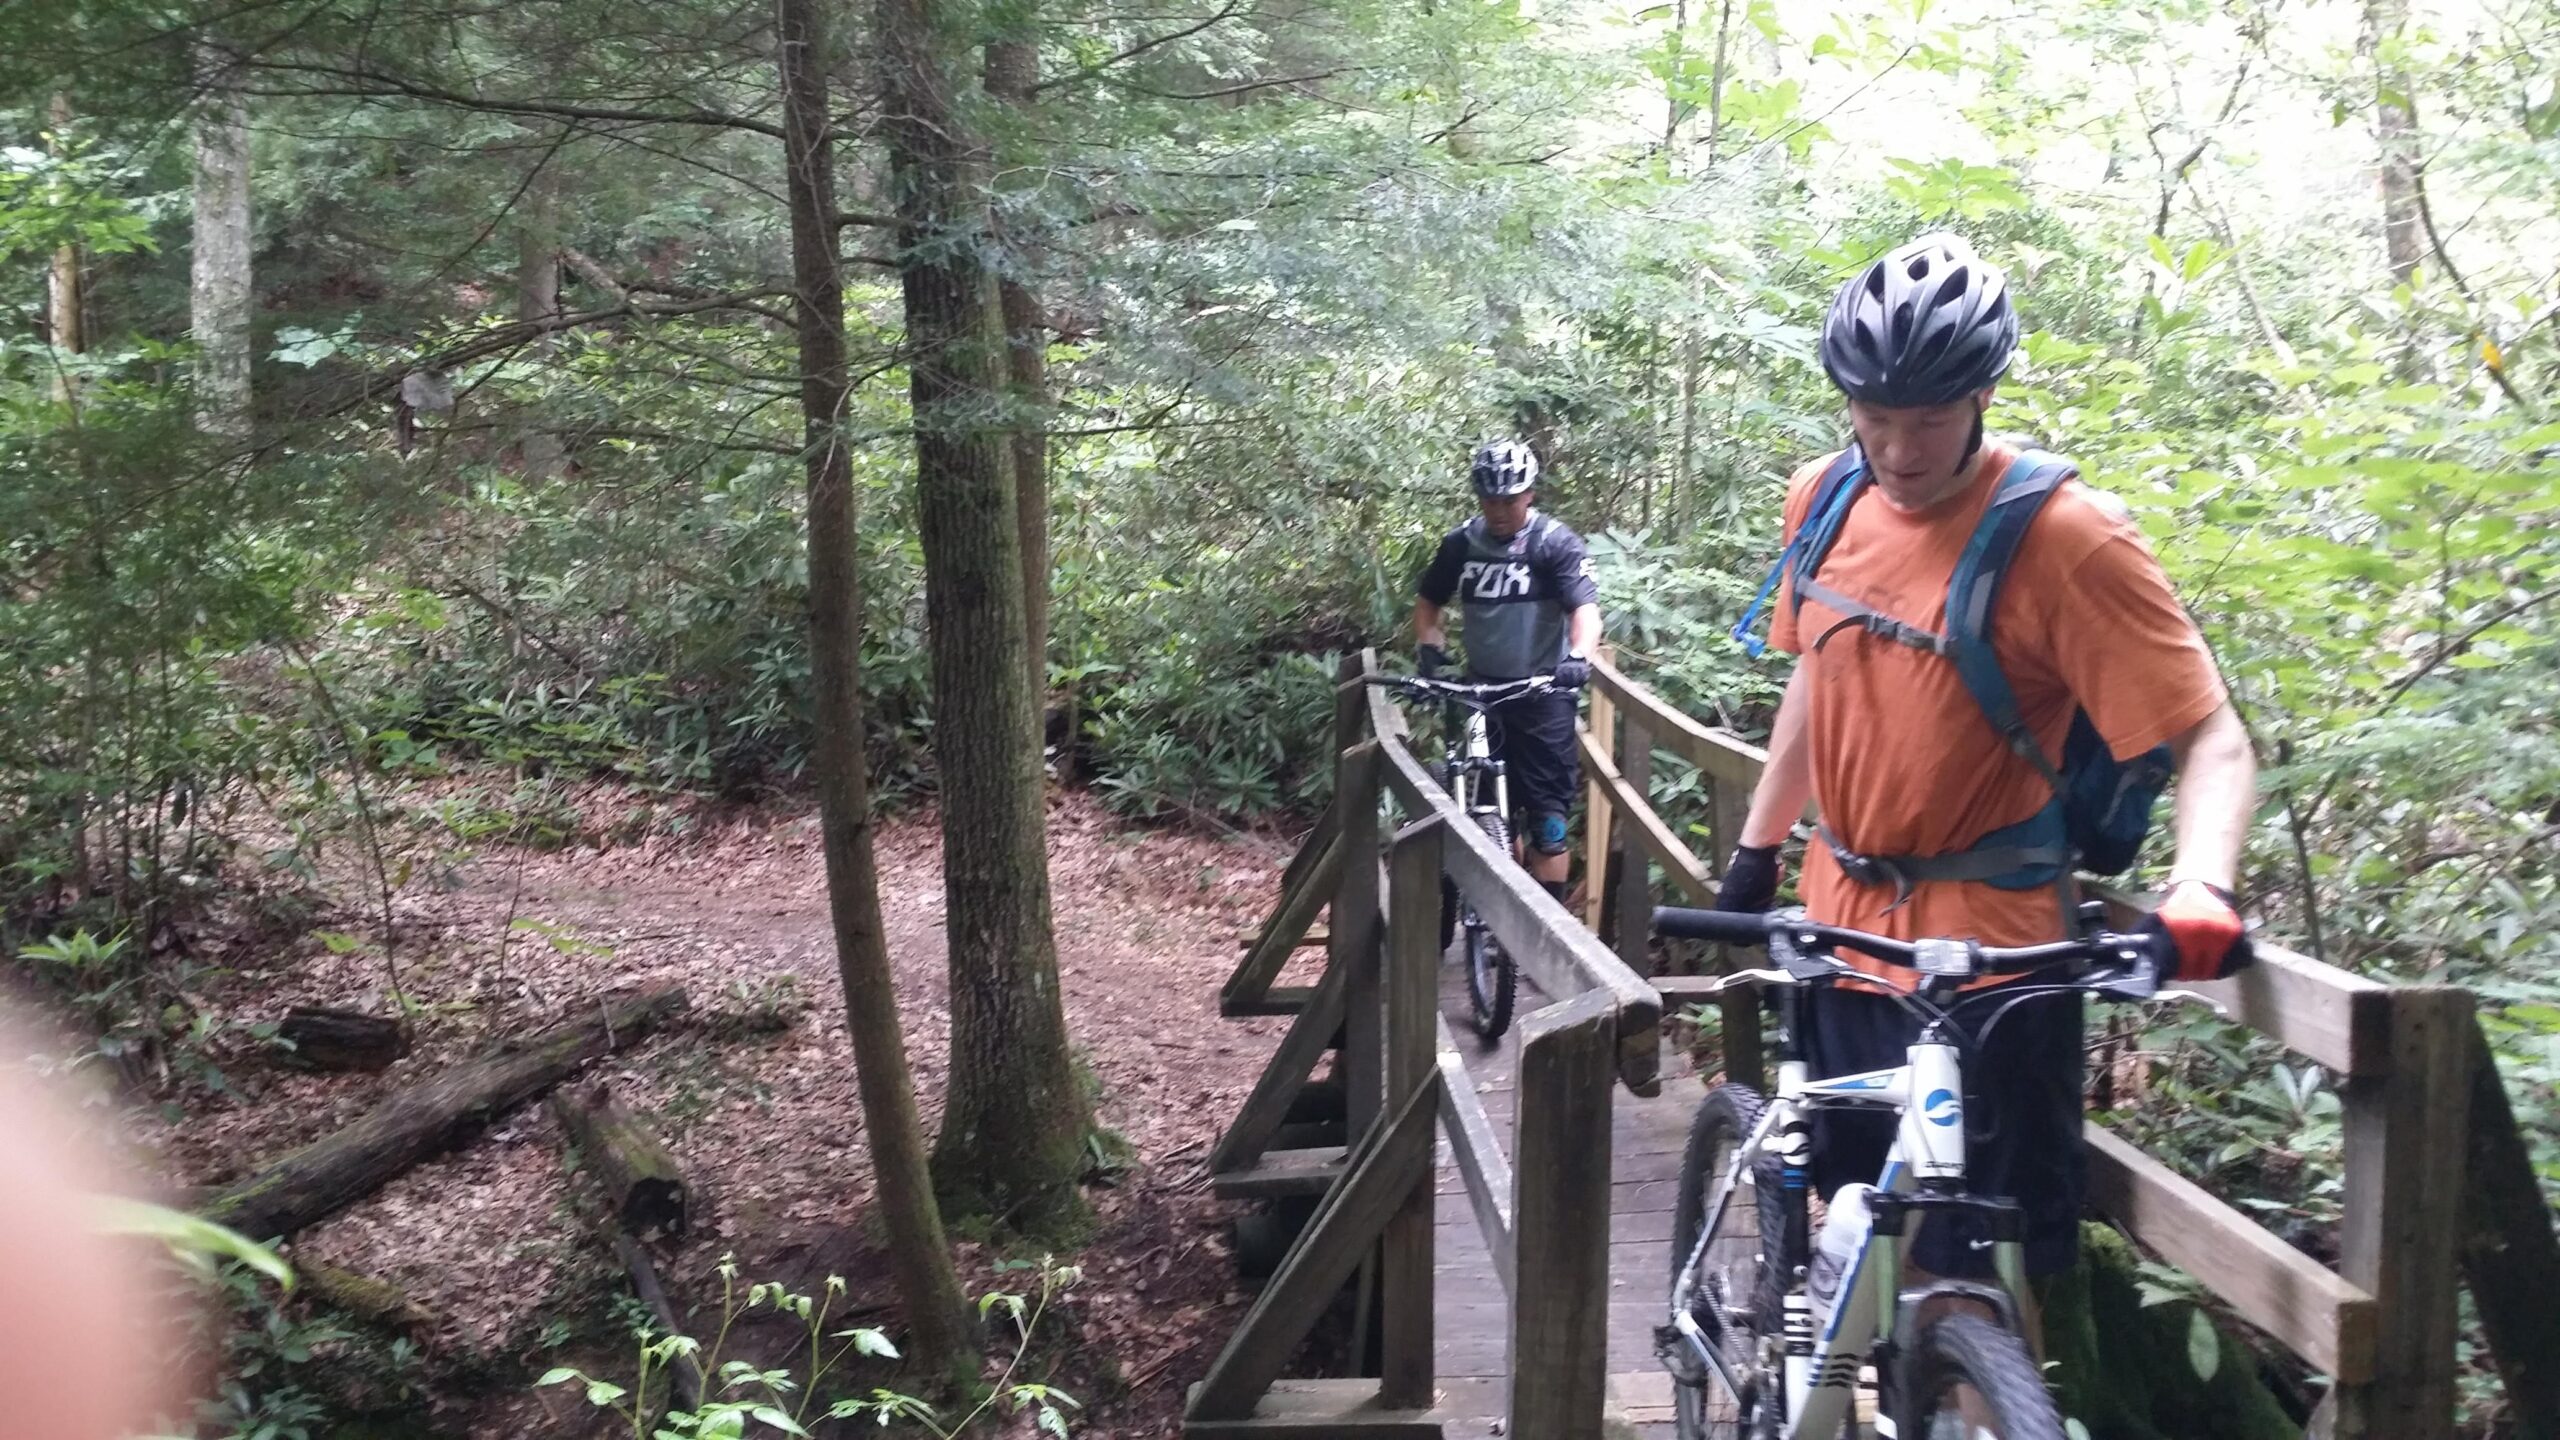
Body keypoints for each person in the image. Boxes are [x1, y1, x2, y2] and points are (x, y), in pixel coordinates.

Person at [1716, 234, 2259, 1329]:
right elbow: (1818, 685)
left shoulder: (2066, 538)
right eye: (1874, 415)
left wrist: (2202, 887)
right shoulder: (1820, 497)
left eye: (1927, 417)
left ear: (1982, 396)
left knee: (1993, 1276)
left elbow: (2213, 739)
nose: (1898, 447)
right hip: (1845, 936)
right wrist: (1757, 848)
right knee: (1857, 1226)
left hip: (1996, 965)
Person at [1413, 439, 1603, 908]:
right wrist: (1430, 646)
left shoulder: (1554, 543)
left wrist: (1578, 656)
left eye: (1509, 499)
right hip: (1481, 690)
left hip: (1542, 693)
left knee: (1548, 820)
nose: (1499, 510)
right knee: (1489, 803)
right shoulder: (1461, 544)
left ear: (1529, 495)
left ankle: (1550, 930)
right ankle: (1500, 907)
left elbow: (1585, 610)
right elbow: (1428, 602)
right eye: (1489, 500)